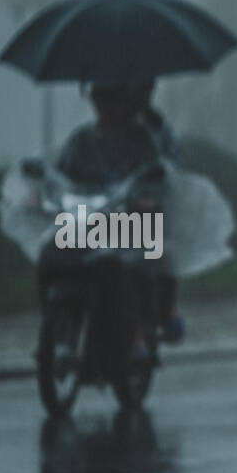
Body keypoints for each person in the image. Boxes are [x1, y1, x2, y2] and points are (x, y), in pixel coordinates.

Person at [41, 80, 184, 356]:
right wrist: (44, 193)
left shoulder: (144, 139)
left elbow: (160, 174)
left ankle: (137, 333)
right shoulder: (81, 140)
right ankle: (57, 323)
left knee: (132, 264)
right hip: (87, 220)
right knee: (50, 255)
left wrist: (147, 198)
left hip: (128, 223)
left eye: (113, 98)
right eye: (100, 98)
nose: (105, 106)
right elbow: (61, 175)